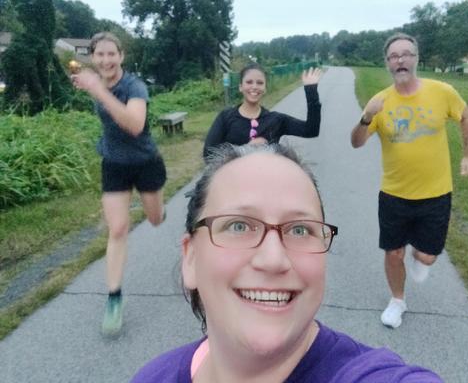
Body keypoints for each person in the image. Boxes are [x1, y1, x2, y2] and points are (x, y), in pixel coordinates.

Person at [131, 143, 443, 382]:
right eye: (238, 226)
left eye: (299, 230)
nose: (273, 259)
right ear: (191, 257)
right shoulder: (152, 376)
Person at [351, 33, 468, 329]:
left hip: (436, 193)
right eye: (394, 56)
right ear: (388, 63)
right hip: (394, 194)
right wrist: (366, 118)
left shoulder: (441, 91)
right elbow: (356, 142)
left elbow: (466, 117)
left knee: (427, 257)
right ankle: (397, 301)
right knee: (393, 252)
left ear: (416, 58)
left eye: (406, 54)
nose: (401, 60)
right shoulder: (379, 101)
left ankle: (421, 257)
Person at [71, 32, 166, 335]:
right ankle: (114, 296)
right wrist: (93, 86)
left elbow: (136, 125)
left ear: (121, 56)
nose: (106, 60)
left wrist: (99, 91)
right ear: (93, 57)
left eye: (111, 54)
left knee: (154, 219)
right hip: (113, 163)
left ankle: (158, 209)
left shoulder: (134, 86)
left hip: (145, 161)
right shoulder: (99, 82)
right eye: (100, 55)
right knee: (118, 228)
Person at [203, 63, 322, 159]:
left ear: (265, 88)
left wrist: (311, 91)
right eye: (249, 82)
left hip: (266, 183)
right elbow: (209, 154)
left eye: (260, 83)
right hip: (233, 183)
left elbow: (311, 130)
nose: (254, 87)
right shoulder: (226, 117)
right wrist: (246, 149)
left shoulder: (276, 120)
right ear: (240, 86)